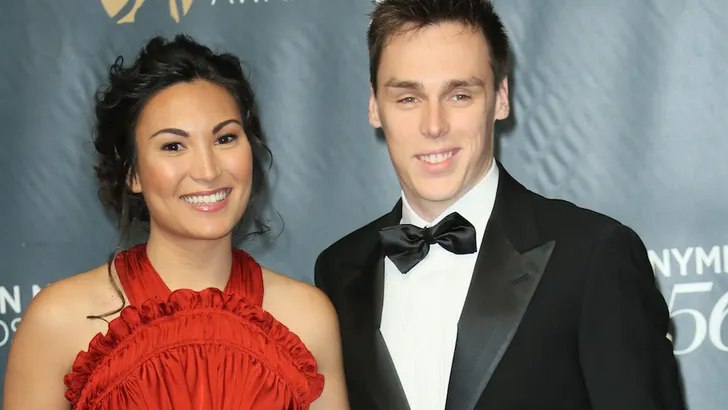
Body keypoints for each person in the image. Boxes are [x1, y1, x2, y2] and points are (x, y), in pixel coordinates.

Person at [314, 1, 686, 409]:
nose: (434, 125)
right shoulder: (338, 271)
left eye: (459, 95)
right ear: (374, 106)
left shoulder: (593, 255)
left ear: (501, 98)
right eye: (408, 98)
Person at [3, 34, 349, 410]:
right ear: (132, 173)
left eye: (225, 138)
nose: (207, 170)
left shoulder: (308, 318)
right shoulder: (58, 321)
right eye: (173, 146)